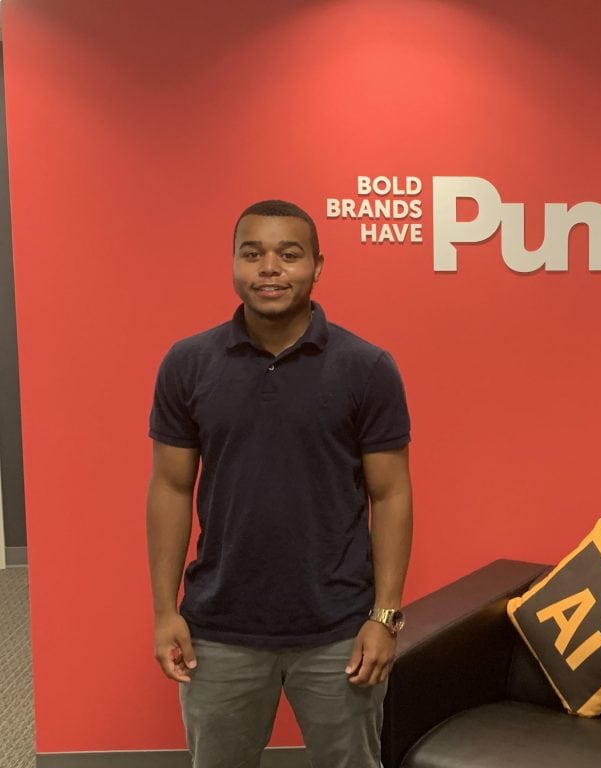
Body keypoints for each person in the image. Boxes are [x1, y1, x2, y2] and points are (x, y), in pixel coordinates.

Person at [146, 199, 413, 768]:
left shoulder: (366, 367)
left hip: (340, 629)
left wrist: (384, 617)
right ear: (234, 265)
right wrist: (164, 611)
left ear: (318, 266)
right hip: (219, 627)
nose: (270, 267)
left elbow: (391, 496)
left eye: (289, 255)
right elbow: (170, 488)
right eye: (253, 253)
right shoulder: (187, 365)